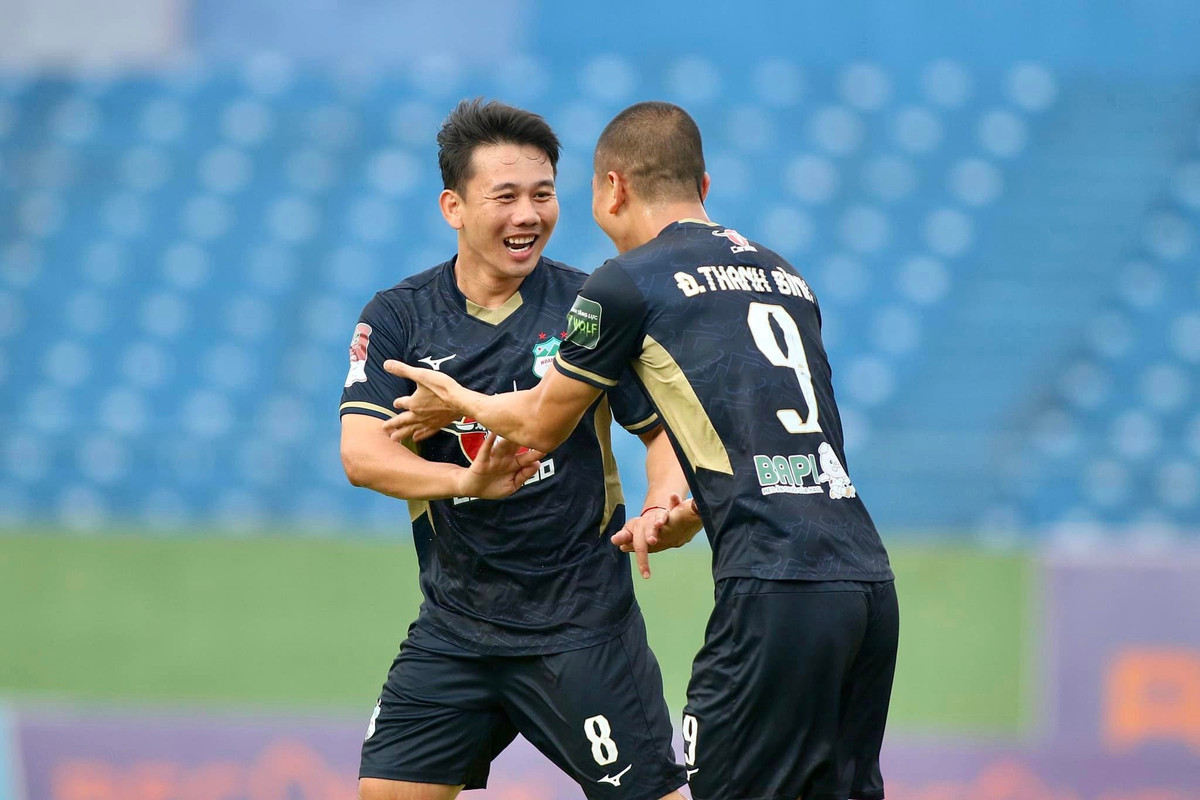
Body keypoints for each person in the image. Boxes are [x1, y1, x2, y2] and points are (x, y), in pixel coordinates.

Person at [385, 101, 900, 800]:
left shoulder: (626, 281)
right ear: (704, 187)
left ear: (613, 188)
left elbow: (539, 423)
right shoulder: (785, 276)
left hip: (773, 586)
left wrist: (457, 400)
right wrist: (686, 507)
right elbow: (763, 434)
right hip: (866, 583)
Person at [339, 98, 688, 800]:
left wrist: (662, 500)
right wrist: (467, 483)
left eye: (542, 194)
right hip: (455, 626)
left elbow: (662, 436)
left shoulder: (595, 304)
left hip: (580, 623)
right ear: (453, 206)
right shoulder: (399, 316)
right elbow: (362, 456)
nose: (528, 214)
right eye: (505, 196)